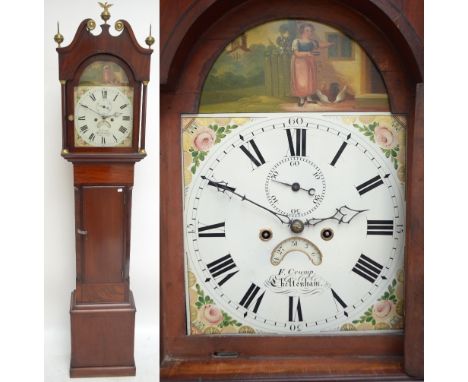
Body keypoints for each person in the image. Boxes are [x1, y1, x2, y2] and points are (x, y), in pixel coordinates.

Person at [291, 23, 333, 106]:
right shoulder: (296, 41)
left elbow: (321, 45)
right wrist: (307, 53)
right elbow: (296, 53)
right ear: (302, 31)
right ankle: (301, 99)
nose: (309, 32)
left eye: (310, 31)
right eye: (307, 30)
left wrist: (330, 44)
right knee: (301, 81)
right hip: (300, 63)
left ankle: (309, 98)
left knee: (310, 79)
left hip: (310, 62)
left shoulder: (312, 42)